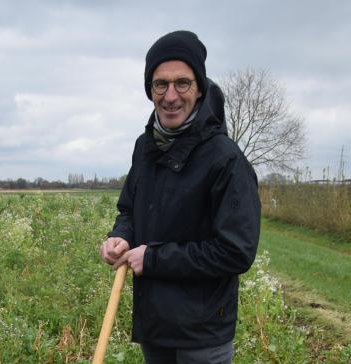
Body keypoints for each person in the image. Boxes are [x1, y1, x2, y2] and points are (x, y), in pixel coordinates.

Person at [99, 30, 260, 364]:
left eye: (182, 83)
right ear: (150, 90)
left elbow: (236, 252)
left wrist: (154, 259)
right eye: (161, 84)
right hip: (155, 324)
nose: (170, 96)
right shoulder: (145, 148)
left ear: (199, 88)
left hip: (201, 334)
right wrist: (121, 237)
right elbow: (129, 209)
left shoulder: (226, 160)